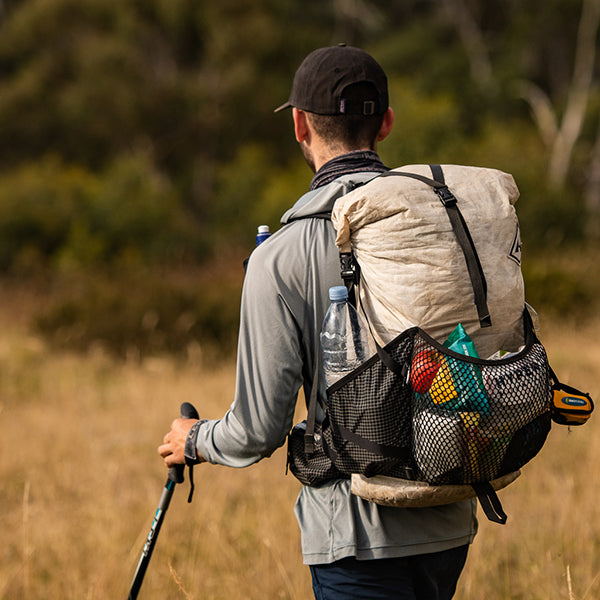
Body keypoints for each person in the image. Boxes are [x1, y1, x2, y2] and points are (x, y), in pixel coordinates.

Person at [158, 44, 477, 600]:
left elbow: (257, 432)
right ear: (387, 124)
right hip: (449, 517)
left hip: (354, 536)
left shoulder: (279, 256)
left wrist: (195, 440)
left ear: (300, 126)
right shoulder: (436, 223)